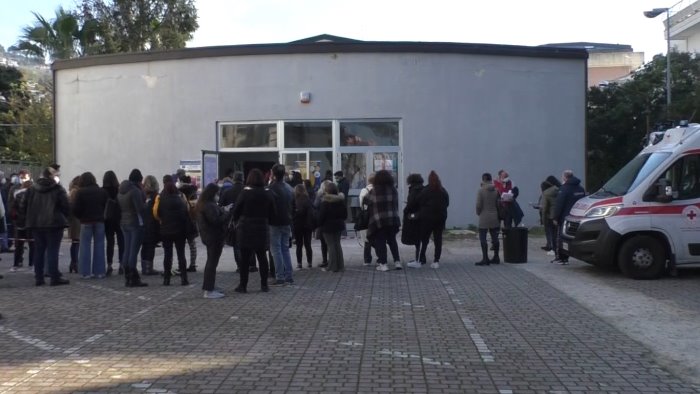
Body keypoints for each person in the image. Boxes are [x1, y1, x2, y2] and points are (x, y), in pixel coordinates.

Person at [23, 167, 70, 286]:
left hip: (36, 223)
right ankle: (54, 277)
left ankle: (39, 278)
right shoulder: (58, 188)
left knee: (39, 250)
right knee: (53, 250)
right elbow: (65, 205)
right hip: (54, 223)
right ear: (51, 176)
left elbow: (23, 204)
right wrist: (64, 216)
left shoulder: (32, 189)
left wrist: (28, 219)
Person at [232, 168, 275, 293]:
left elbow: (236, 211)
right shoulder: (267, 193)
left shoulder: (245, 193)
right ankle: (264, 285)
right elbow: (273, 212)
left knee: (244, 259)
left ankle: (243, 285)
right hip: (262, 228)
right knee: (262, 257)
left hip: (246, 229)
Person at [196, 183, 231, 299]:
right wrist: (227, 213)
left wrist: (223, 210)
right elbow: (216, 221)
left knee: (211, 262)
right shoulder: (209, 206)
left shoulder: (204, 204)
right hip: (214, 237)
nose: (218, 196)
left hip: (209, 236)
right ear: (213, 194)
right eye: (217, 194)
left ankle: (210, 286)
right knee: (211, 263)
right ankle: (208, 290)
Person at [155, 175, 190, 286]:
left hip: (166, 230)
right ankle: (184, 279)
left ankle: (166, 279)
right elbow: (187, 210)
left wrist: (162, 220)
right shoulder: (181, 196)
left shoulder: (160, 198)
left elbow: (156, 213)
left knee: (167, 255)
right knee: (181, 254)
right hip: (180, 230)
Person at [72, 172, 109, 279]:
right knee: (100, 246)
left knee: (84, 246)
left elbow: (75, 209)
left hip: (86, 221)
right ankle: (99, 272)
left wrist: (81, 217)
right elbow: (106, 205)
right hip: (100, 221)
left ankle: (85, 272)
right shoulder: (102, 191)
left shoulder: (80, 192)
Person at [117, 169, 148, 287]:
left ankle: (127, 276)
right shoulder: (135, 191)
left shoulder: (121, 191)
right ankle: (133, 277)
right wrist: (147, 204)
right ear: (139, 180)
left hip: (124, 222)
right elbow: (140, 208)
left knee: (127, 249)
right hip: (135, 223)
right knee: (133, 251)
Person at [367, 170, 402, 272]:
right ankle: (397, 262)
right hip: (392, 219)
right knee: (392, 240)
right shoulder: (393, 190)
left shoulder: (374, 191)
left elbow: (367, 201)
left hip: (379, 220)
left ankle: (383, 263)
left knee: (380, 241)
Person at [416, 171, 449, 269]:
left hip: (427, 218)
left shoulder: (426, 190)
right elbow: (447, 203)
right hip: (440, 218)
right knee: (438, 239)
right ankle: (436, 260)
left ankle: (422, 257)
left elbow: (419, 202)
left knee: (424, 238)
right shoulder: (443, 190)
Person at [268, 164, 294, 286]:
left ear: (273, 174)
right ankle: (289, 275)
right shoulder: (289, 188)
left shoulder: (271, 188)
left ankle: (280, 277)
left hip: (274, 222)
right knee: (285, 249)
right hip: (287, 221)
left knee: (276, 250)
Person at [553, 170, 586, 265]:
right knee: (572, 237)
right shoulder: (580, 188)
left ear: (565, 177)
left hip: (565, 217)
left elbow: (559, 204)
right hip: (577, 217)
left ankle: (561, 258)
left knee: (561, 237)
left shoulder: (564, 189)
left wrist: (555, 217)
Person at [318, 182, 347, 272]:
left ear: (327, 191)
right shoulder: (340, 201)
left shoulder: (325, 202)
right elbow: (345, 215)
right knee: (337, 244)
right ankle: (340, 266)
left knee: (331, 245)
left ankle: (332, 267)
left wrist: (318, 224)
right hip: (338, 225)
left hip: (327, 227)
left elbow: (321, 216)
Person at [475, 173, 500, 266]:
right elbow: (498, 204)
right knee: (495, 237)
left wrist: (478, 213)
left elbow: (478, 205)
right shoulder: (496, 190)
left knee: (483, 237)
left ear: (483, 180)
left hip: (484, 216)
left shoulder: (481, 191)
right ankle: (496, 257)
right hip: (494, 216)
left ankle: (485, 258)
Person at [102, 170, 123, 276]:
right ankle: (121, 264)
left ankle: (109, 264)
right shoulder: (119, 190)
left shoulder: (102, 191)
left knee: (110, 242)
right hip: (119, 218)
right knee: (121, 242)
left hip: (108, 219)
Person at [11, 178, 34, 271]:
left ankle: (16, 264)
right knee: (32, 245)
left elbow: (13, 210)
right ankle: (31, 264)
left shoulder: (17, 195)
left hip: (20, 223)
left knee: (19, 245)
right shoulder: (33, 195)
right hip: (31, 223)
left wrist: (15, 219)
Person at [140, 175, 161, 276]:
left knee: (145, 246)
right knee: (150, 246)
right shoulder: (156, 196)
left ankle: (144, 267)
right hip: (152, 224)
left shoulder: (143, 195)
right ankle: (149, 268)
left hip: (142, 223)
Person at [403, 173, 425, 268]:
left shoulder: (414, 190)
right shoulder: (424, 189)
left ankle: (418, 259)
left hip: (414, 216)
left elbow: (411, 203)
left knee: (416, 238)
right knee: (421, 238)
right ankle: (421, 257)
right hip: (422, 216)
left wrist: (405, 210)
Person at [178, 175, 199, 273]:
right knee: (192, 245)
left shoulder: (179, 191)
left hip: (181, 220)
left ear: (181, 181)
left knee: (180, 245)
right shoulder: (194, 192)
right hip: (192, 220)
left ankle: (181, 265)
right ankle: (193, 265)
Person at [292, 184, 314, 269]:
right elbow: (311, 213)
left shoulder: (295, 200)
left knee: (299, 245)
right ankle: (309, 262)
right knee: (308, 244)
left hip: (298, 225)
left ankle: (299, 263)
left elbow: (293, 213)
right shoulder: (308, 200)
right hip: (307, 225)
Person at [313, 179, 333, 268]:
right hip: (332, 222)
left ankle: (325, 260)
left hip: (323, 222)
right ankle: (332, 260)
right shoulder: (335, 195)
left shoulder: (320, 196)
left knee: (323, 243)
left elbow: (315, 205)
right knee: (332, 243)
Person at [540, 175, 561, 255]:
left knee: (551, 232)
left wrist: (543, 219)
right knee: (557, 233)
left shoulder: (546, 193)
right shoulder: (559, 190)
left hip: (550, 215)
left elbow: (544, 208)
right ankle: (557, 248)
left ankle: (552, 247)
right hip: (558, 214)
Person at [357, 173, 375, 266]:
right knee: (377, 238)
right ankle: (381, 258)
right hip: (375, 217)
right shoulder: (379, 190)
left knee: (367, 240)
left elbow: (361, 204)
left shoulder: (364, 190)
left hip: (366, 218)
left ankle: (367, 260)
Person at [67, 176, 81, 274]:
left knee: (75, 242)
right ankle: (75, 263)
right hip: (77, 220)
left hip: (73, 220)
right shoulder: (76, 192)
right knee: (76, 242)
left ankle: (73, 262)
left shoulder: (72, 191)